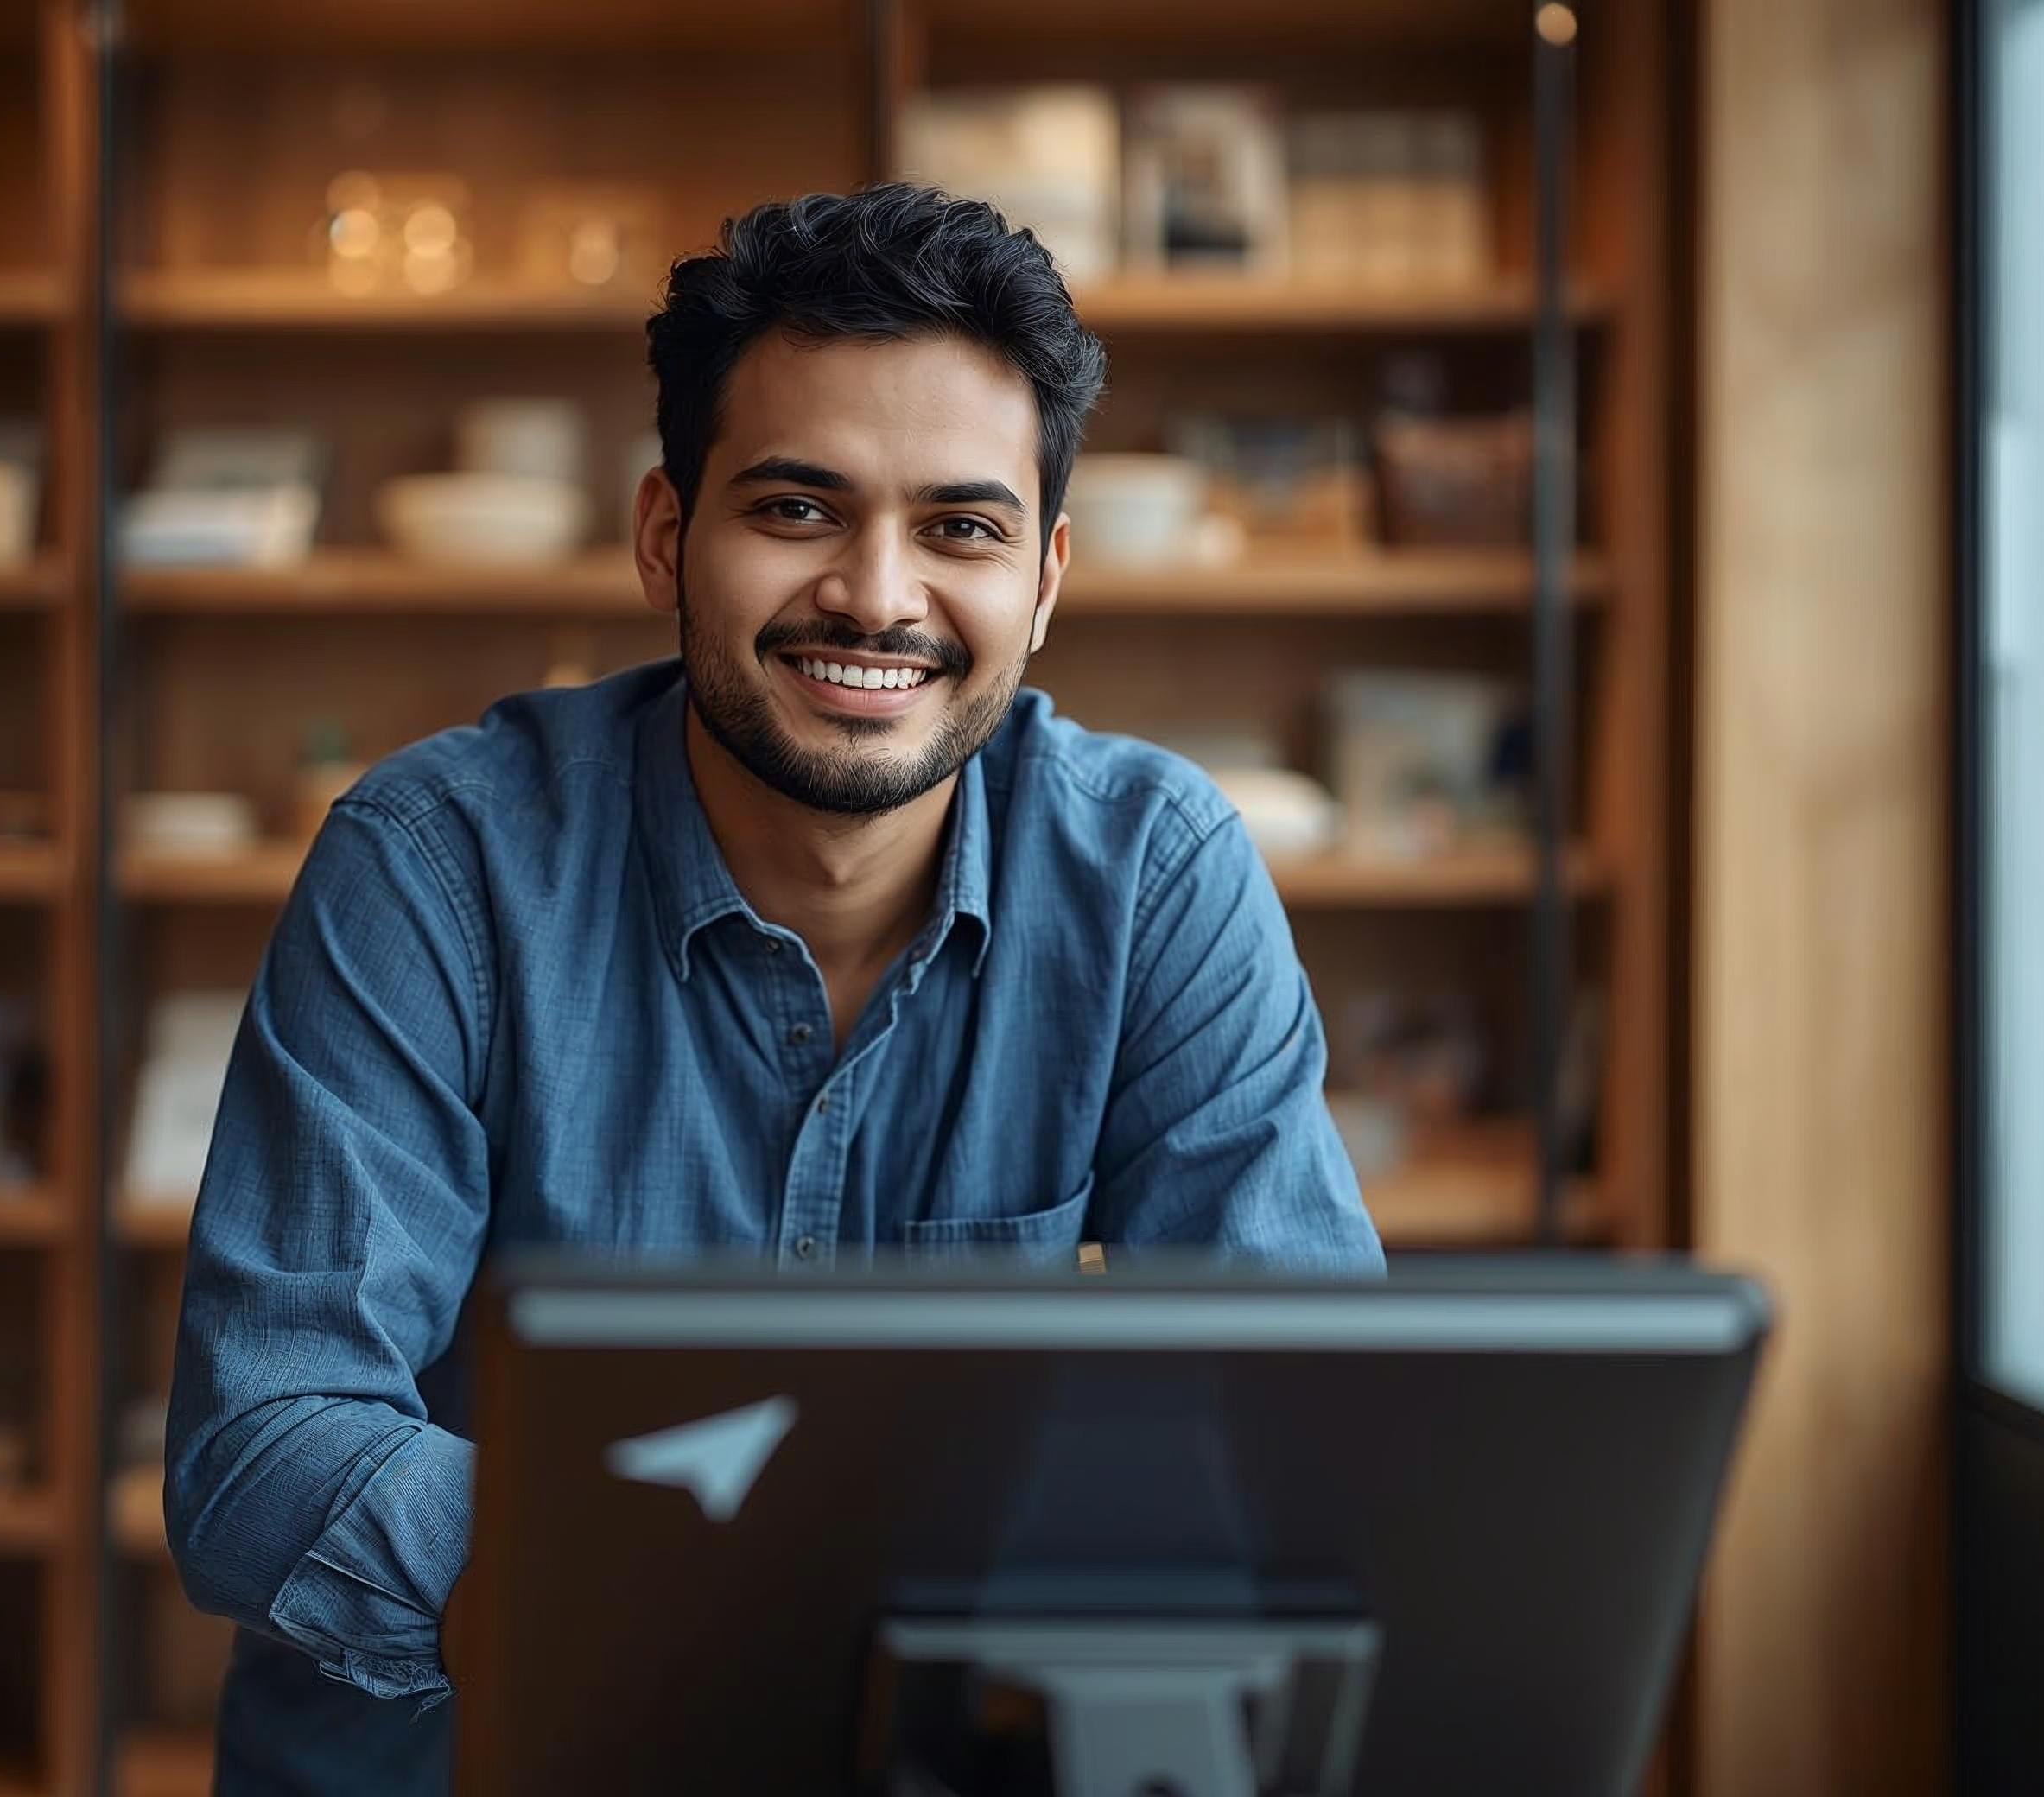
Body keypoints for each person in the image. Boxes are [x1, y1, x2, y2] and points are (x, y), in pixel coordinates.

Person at [166, 182, 1382, 1796]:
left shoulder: (1154, 874)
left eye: (961, 527)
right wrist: (763, 1602)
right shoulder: (433, 867)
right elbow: (266, 1442)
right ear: (668, 532)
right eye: (798, 509)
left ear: (1047, 576)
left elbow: (1299, 1420)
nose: (878, 597)